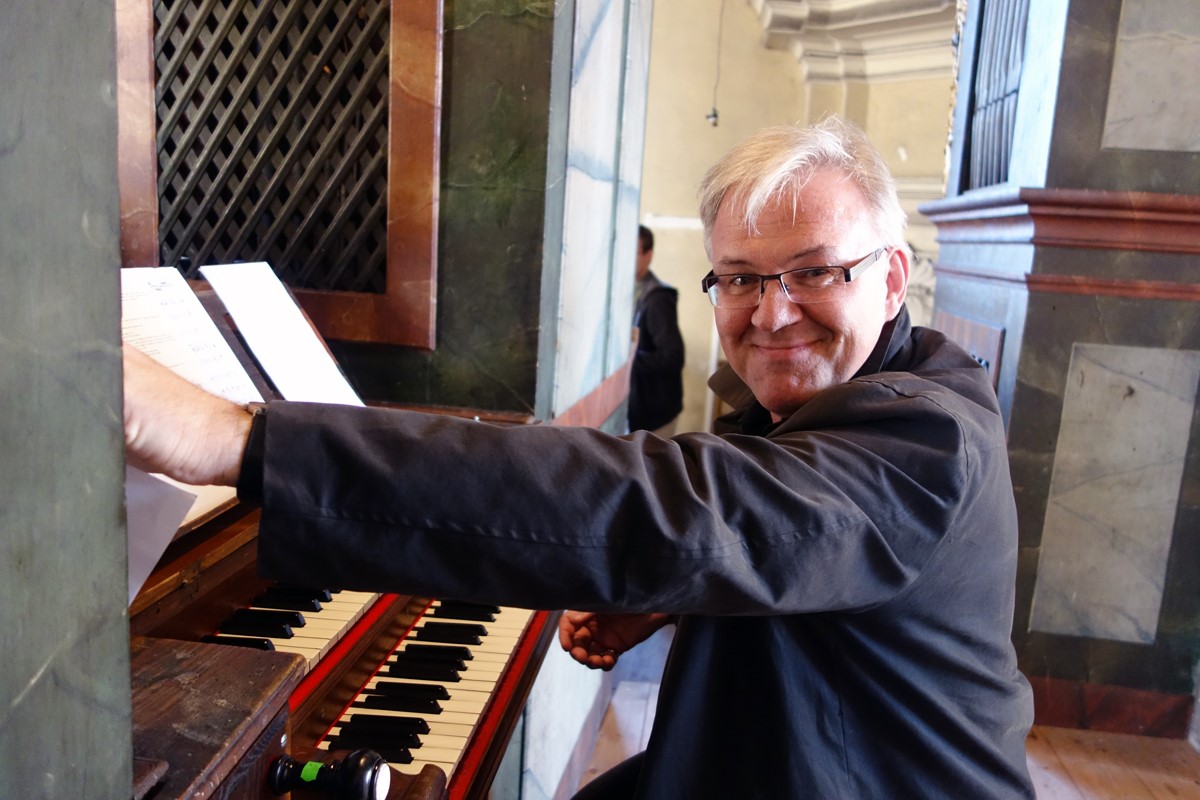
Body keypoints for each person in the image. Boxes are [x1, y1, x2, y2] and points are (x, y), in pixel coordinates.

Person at [123, 116, 1035, 799]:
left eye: (815, 272)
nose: (772, 311)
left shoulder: (928, 436)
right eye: (743, 278)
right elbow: (779, 537)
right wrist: (676, 600)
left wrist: (242, 440)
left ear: (890, 273)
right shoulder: (829, 398)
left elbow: (672, 508)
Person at [629, 224, 685, 434]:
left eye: (632, 251)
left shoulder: (657, 299)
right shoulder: (629, 289)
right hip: (638, 410)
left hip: (655, 415)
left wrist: (629, 359)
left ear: (648, 255)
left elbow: (673, 357)